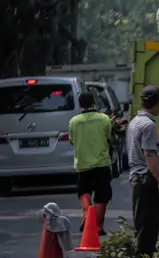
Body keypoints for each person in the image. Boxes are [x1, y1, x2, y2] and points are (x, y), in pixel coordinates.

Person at [126, 85, 159, 257]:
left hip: (137, 179)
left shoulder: (135, 122)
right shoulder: (148, 126)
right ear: (158, 103)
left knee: (142, 227)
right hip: (146, 181)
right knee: (148, 230)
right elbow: (149, 155)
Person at [68, 92, 113, 235]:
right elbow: (108, 137)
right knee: (102, 195)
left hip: (83, 164)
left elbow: (72, 140)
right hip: (101, 164)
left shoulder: (74, 121)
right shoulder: (104, 119)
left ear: (80, 105)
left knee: (84, 191)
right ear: (94, 103)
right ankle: (98, 227)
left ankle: (87, 214)